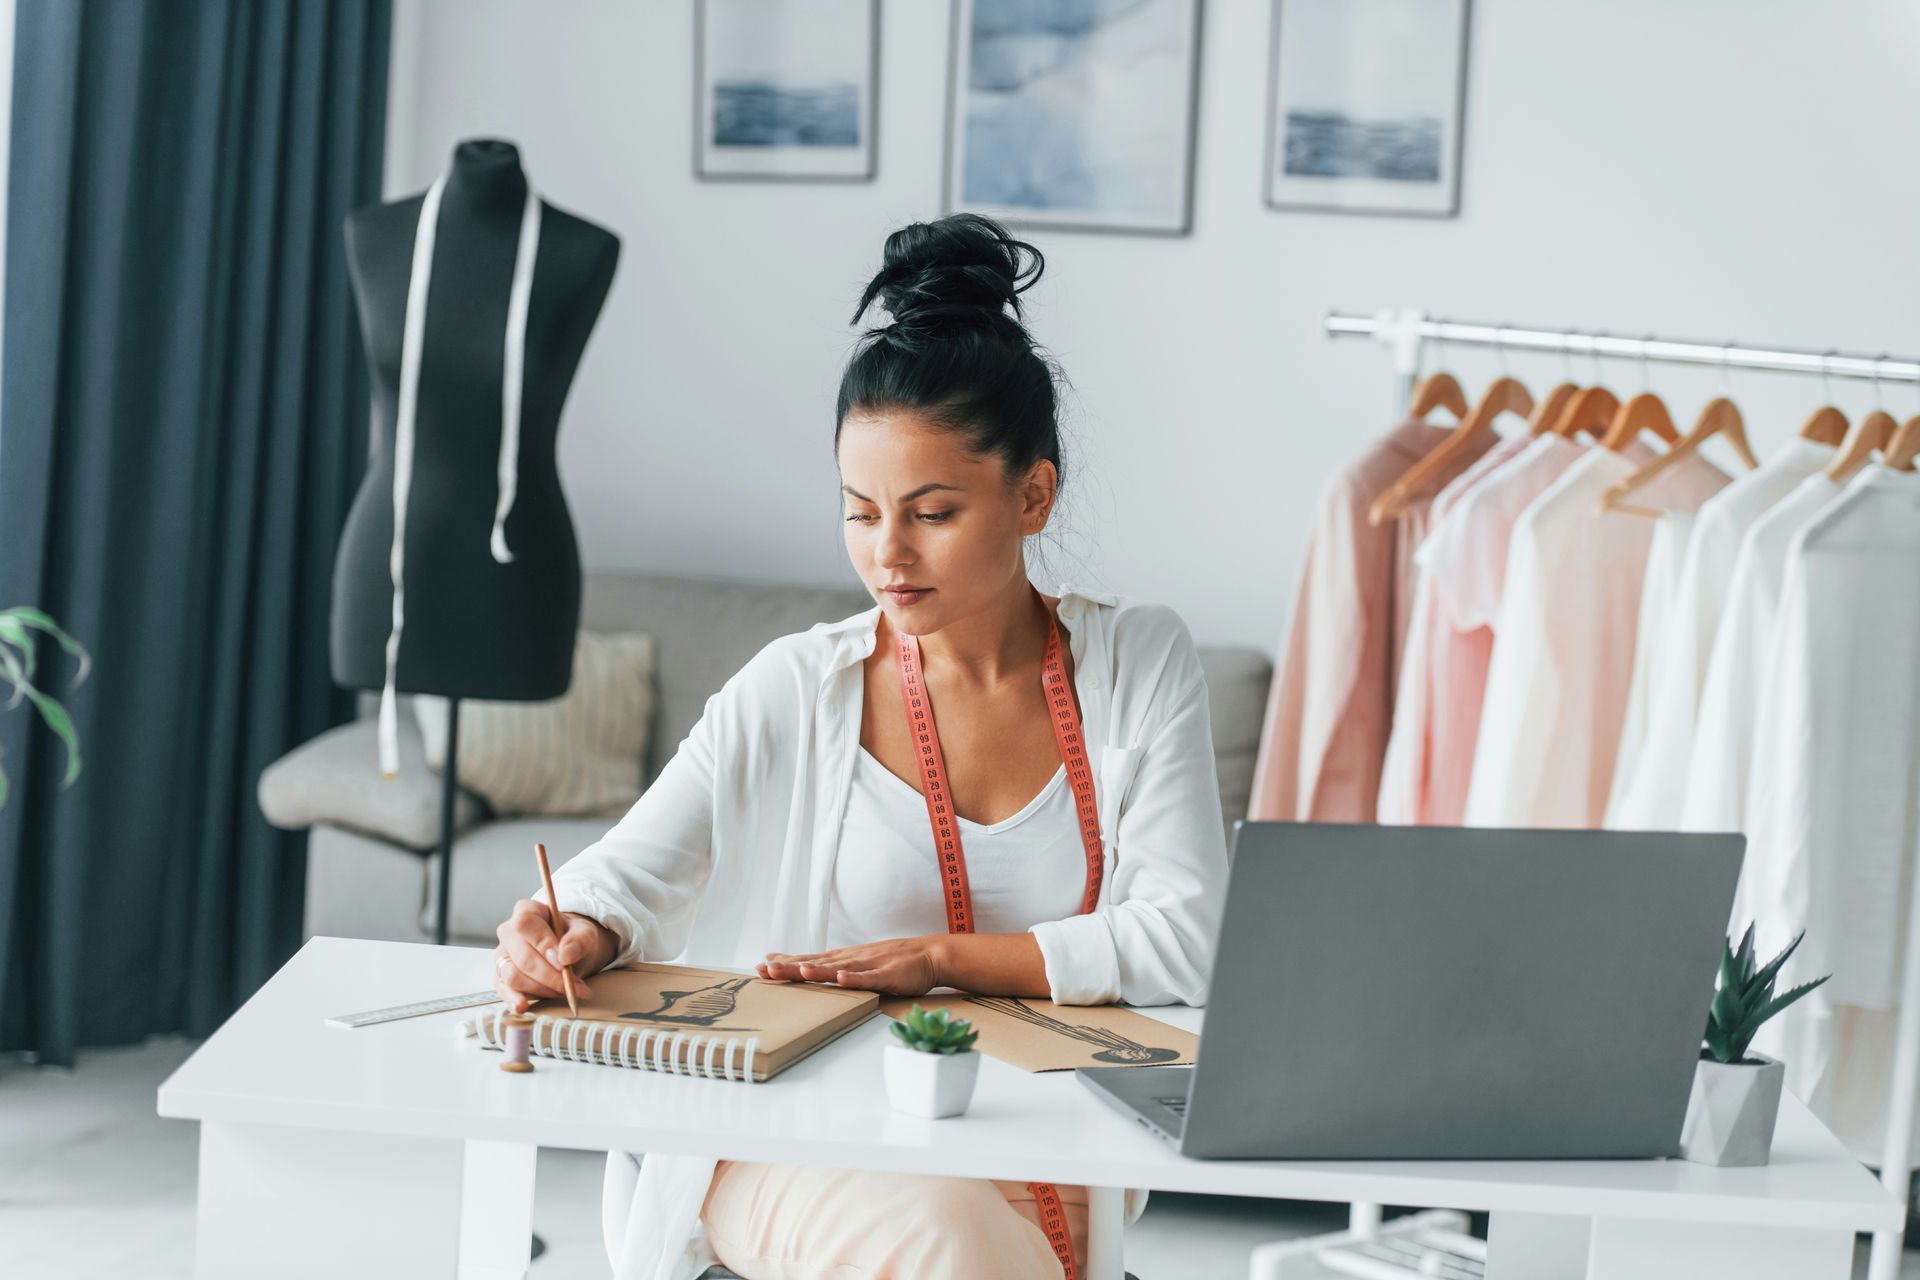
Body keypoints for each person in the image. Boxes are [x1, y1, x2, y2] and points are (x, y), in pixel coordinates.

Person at [490, 212, 1229, 1280]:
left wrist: (941, 960)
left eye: (931, 512)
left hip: (1042, 1143)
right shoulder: (802, 685)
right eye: (860, 510)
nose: (887, 553)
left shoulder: (1138, 666)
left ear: (1034, 493)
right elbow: (625, 876)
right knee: (950, 1248)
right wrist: (568, 927)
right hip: (810, 1139)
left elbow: (1191, 936)